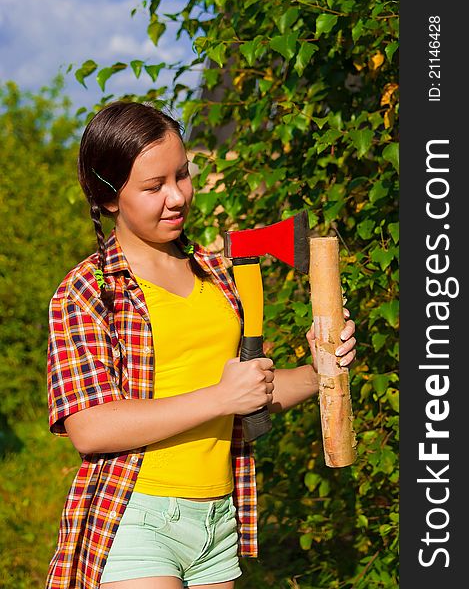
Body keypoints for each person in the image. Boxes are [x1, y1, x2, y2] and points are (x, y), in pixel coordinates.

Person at [46, 101, 356, 589]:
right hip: (135, 516)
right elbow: (89, 426)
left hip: (218, 519)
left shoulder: (217, 273)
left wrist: (322, 369)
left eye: (182, 176)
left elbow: (252, 394)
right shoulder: (86, 292)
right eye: (153, 187)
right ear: (109, 198)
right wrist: (220, 398)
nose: (177, 197)